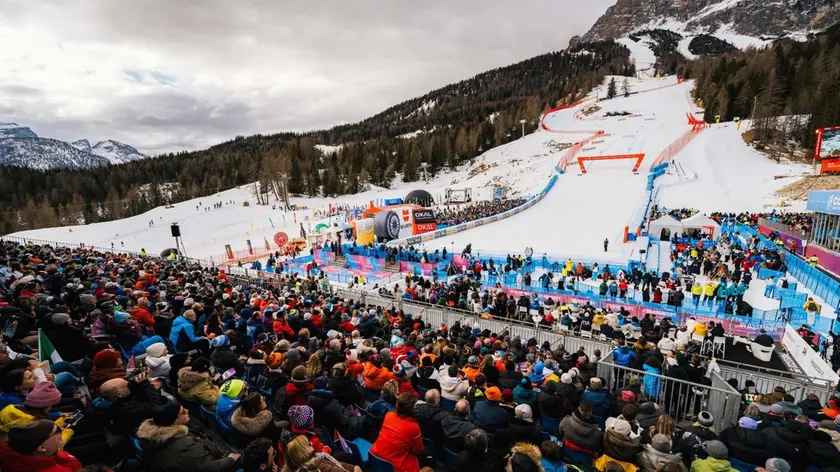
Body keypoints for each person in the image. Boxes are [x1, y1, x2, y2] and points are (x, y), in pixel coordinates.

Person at [136, 403, 239, 472]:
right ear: (173, 421)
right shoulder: (185, 445)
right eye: (183, 412)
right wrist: (230, 459)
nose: (187, 410)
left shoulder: (156, 436)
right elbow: (208, 468)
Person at [97, 372, 167, 435]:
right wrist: (145, 384)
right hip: (144, 430)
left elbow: (132, 395)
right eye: (127, 385)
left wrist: (134, 382)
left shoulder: (116, 402)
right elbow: (156, 406)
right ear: (120, 394)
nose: (129, 386)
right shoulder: (126, 409)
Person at [0, 420, 83, 472]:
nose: (62, 430)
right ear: (42, 448)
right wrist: (70, 460)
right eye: (57, 431)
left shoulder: (11, 455)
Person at [370, 393, 424, 472]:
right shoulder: (413, 427)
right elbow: (419, 450)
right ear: (413, 409)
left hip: (375, 456)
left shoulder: (389, 415)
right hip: (395, 466)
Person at [282, 434, 359, 472]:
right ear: (303, 453)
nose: (311, 445)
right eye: (308, 444)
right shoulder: (319, 466)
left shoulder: (313, 462)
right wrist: (355, 468)